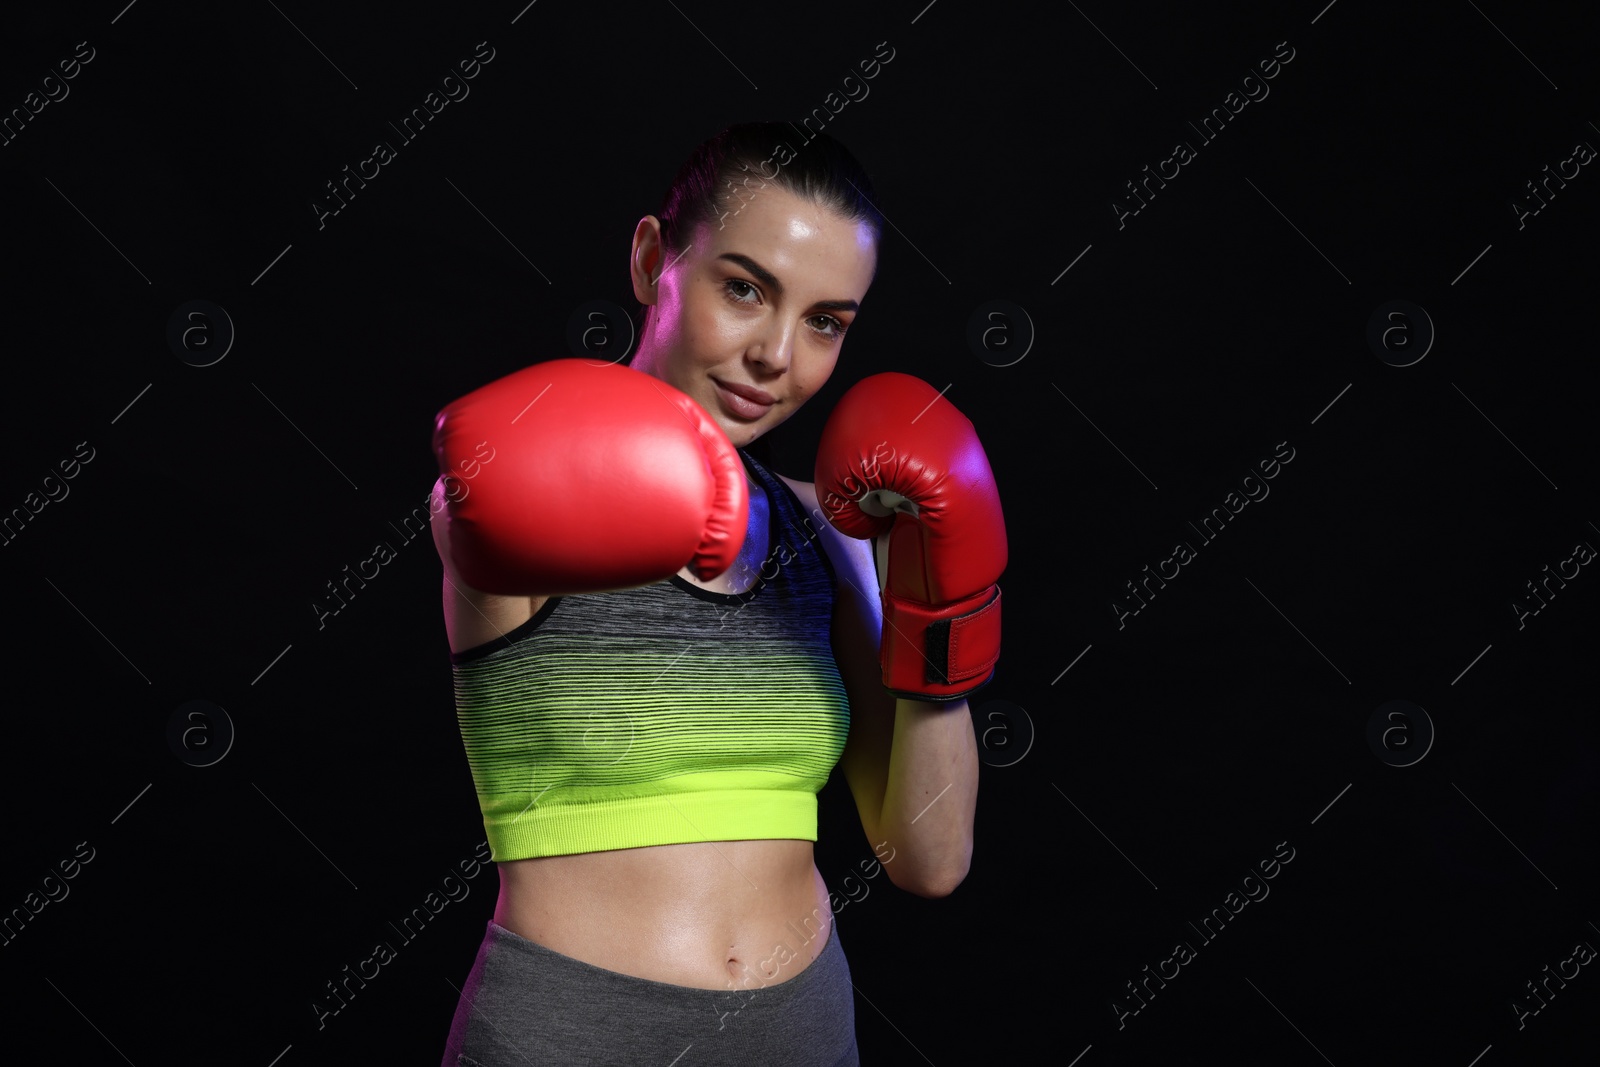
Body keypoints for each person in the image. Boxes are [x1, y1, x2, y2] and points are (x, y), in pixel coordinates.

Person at [431, 122, 1006, 1065]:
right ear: (654, 259)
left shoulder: (830, 528)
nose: (778, 355)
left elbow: (931, 859)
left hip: (803, 1028)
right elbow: (470, 504)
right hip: (570, 1035)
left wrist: (936, 598)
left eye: (824, 321)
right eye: (744, 288)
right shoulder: (520, 489)